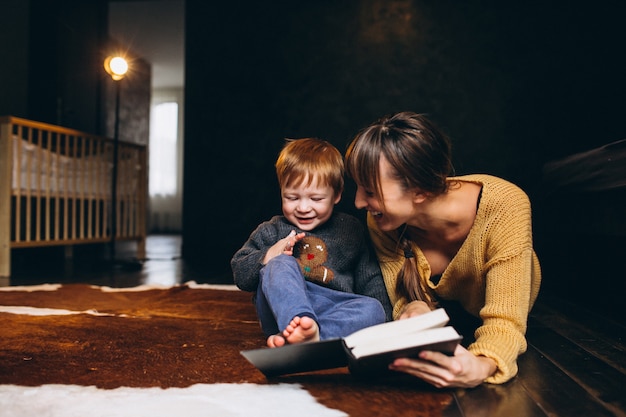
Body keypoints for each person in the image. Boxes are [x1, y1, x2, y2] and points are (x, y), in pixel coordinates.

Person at [344, 111, 541, 388]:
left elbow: (506, 321)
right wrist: (414, 308)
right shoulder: (383, 222)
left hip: (510, 306)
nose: (358, 202)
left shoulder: (506, 205)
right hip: (453, 318)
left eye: (371, 191)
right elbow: (402, 295)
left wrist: (483, 365)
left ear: (420, 191)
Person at [231, 137, 393, 348]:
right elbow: (240, 273)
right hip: (282, 310)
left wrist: (386, 323)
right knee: (280, 264)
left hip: (334, 308)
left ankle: (313, 336)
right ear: (281, 192)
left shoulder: (351, 230)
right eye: (292, 198)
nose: (303, 208)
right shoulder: (272, 230)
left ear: (336, 195)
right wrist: (268, 256)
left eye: (316, 199)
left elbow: (370, 278)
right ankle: (299, 325)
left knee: (374, 308)